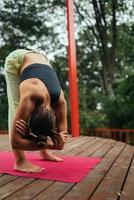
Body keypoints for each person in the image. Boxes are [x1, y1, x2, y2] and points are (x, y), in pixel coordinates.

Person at [4, 49, 68, 173]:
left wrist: (30, 138)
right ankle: (20, 161)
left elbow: (61, 144)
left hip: (39, 58)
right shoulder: (30, 96)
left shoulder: (60, 102)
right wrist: (51, 143)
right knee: (16, 110)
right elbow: (16, 142)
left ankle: (43, 153)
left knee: (41, 123)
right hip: (16, 60)